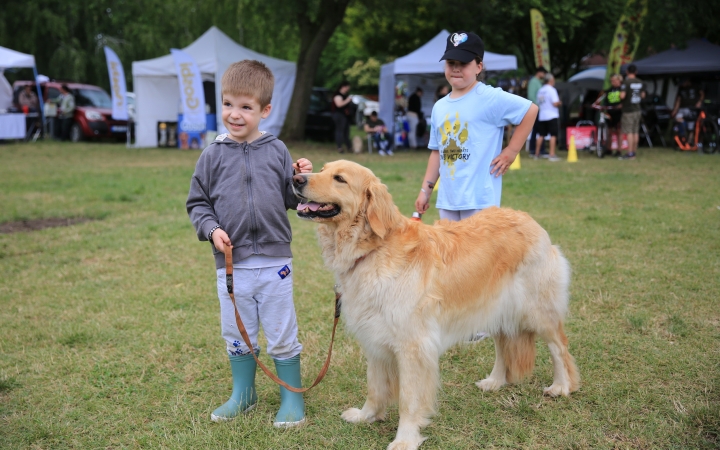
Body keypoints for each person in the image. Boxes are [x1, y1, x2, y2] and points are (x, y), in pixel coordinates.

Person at [186, 60, 313, 427]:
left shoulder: (277, 151)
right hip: (232, 265)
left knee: (281, 330)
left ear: (265, 110)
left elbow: (293, 199)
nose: (235, 114)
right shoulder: (211, 155)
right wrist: (211, 230)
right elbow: (198, 203)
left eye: (246, 107)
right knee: (236, 330)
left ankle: (292, 399)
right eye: (228, 104)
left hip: (275, 263)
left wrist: (300, 179)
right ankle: (243, 393)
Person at [619, 64, 646, 160]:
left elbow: (622, 96)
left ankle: (629, 153)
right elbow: (643, 95)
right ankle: (634, 152)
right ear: (636, 72)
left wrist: (618, 96)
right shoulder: (640, 82)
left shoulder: (626, 83)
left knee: (629, 132)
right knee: (635, 132)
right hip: (637, 109)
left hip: (628, 110)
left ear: (627, 72)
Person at [592, 74, 623, 157]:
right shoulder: (608, 90)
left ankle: (619, 150)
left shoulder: (622, 89)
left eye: (614, 80)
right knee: (609, 131)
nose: (612, 82)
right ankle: (609, 149)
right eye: (611, 81)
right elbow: (604, 100)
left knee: (619, 131)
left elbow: (624, 100)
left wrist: (620, 105)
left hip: (618, 113)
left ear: (619, 80)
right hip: (609, 112)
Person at [534, 74, 562, 161]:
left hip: (542, 115)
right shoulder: (552, 90)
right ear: (550, 80)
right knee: (553, 135)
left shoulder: (541, 90)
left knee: (541, 135)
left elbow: (538, 102)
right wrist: (560, 103)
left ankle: (536, 154)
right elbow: (555, 103)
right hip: (551, 115)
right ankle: (552, 154)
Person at [671, 78, 705, 147]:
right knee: (678, 117)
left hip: (692, 109)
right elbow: (678, 100)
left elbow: (702, 94)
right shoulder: (681, 89)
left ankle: (689, 142)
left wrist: (699, 102)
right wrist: (675, 110)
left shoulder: (695, 86)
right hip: (682, 108)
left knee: (691, 126)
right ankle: (682, 135)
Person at [527, 66, 547, 156]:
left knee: (540, 130)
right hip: (536, 109)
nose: (544, 75)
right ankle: (534, 149)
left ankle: (539, 149)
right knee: (537, 130)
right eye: (544, 73)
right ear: (539, 72)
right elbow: (531, 96)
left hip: (540, 109)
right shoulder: (533, 82)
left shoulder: (540, 82)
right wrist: (537, 107)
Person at [331, 81, 353, 153]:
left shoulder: (345, 95)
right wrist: (347, 100)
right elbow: (339, 104)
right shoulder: (338, 95)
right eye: (347, 87)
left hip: (345, 115)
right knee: (339, 131)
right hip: (339, 115)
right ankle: (339, 147)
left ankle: (349, 147)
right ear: (343, 87)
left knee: (346, 131)